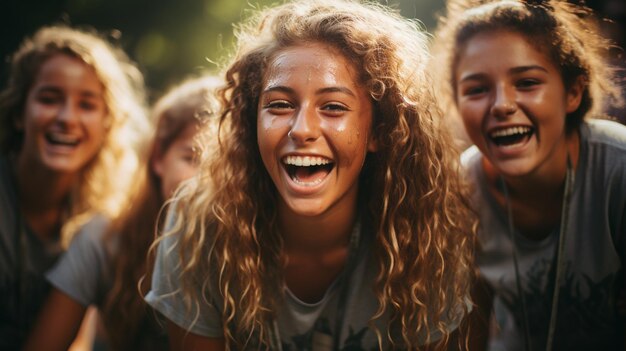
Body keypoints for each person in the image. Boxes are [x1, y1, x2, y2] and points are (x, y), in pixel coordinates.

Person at [145, 0, 476, 350]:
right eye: (280, 105)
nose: (302, 129)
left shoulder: (427, 233)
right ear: (250, 122)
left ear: (380, 130)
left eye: (333, 107)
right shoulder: (200, 220)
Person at [431, 0, 626, 349]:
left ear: (572, 92)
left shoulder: (618, 170)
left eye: (526, 82)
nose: (502, 105)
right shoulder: (461, 190)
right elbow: (470, 328)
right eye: (477, 89)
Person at [24, 75, 223, 351]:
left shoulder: (259, 249)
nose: (206, 180)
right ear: (157, 159)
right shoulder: (104, 238)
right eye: (191, 158)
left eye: (224, 163)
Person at [0, 25, 150, 350]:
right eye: (49, 99)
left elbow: (78, 338)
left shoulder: (100, 219)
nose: (67, 118)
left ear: (107, 124)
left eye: (87, 105)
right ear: (18, 113)